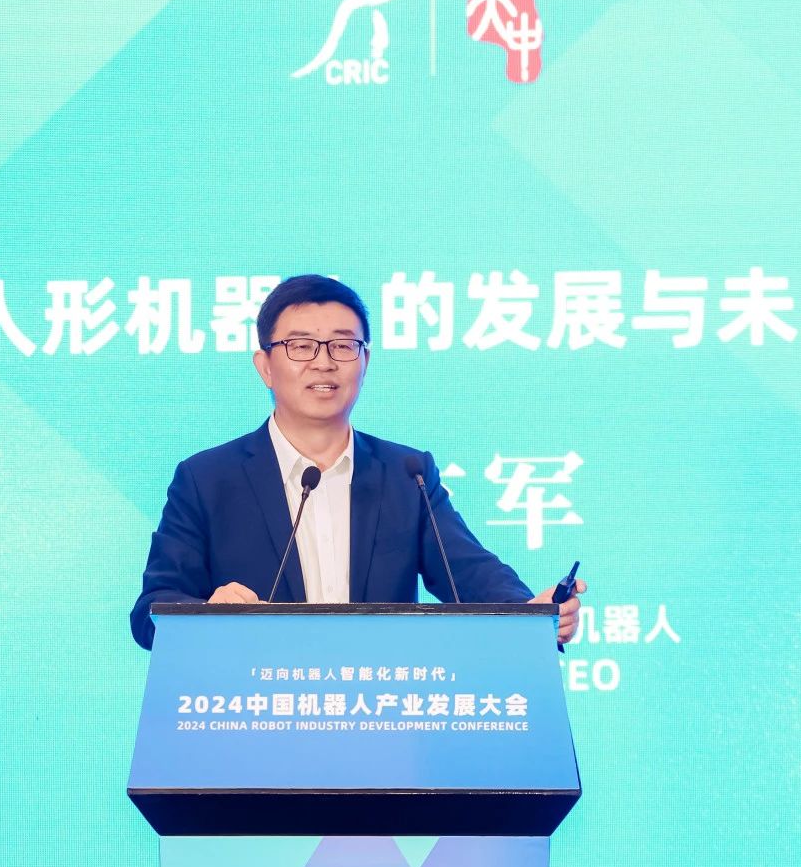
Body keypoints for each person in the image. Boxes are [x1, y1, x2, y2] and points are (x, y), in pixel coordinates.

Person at [130, 274, 585, 650]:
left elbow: (469, 572)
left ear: (365, 361)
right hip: (257, 715)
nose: (323, 363)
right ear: (265, 366)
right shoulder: (208, 479)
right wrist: (207, 617)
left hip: (377, 710)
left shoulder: (407, 474)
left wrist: (530, 612)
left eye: (343, 346)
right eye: (301, 346)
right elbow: (151, 613)